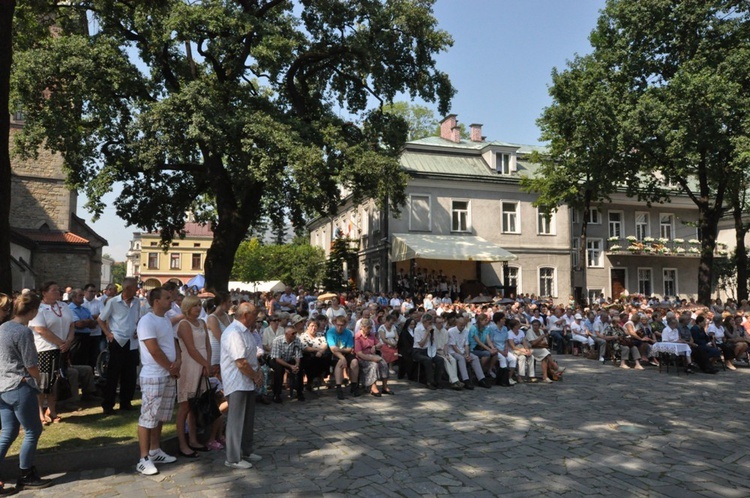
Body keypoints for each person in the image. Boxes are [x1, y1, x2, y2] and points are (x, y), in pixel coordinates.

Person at [0, 293, 52, 491]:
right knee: (33, 430)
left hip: (3, 386)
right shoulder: (23, 332)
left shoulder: (3, 327)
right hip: (19, 385)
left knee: (8, 432)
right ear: (32, 311)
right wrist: (38, 380)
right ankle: (26, 473)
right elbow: (31, 363)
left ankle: (25, 472)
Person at [135, 287, 179, 476]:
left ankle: (155, 449)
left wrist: (177, 363)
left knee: (160, 414)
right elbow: (153, 349)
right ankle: (143, 458)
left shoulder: (165, 320)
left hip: (167, 374)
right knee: (148, 415)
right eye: (167, 297)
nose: (171, 300)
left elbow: (171, 343)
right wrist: (171, 366)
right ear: (156, 301)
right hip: (154, 374)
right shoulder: (147, 321)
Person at [221, 303, 264, 469]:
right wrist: (255, 377)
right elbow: (241, 362)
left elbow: (251, 356)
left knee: (248, 419)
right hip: (237, 381)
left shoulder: (246, 333)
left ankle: (246, 450)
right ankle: (233, 458)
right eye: (254, 314)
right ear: (245, 315)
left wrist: (257, 373)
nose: (256, 318)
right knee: (236, 420)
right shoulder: (234, 333)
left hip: (247, 381)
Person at [29, 281, 75, 426]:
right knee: (43, 382)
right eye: (54, 290)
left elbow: (72, 324)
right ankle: (39, 412)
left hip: (62, 349)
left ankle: (52, 410)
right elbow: (41, 329)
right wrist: (60, 342)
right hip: (45, 349)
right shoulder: (39, 309)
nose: (58, 293)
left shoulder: (63, 306)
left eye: (59, 290)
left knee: (55, 381)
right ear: (44, 292)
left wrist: (68, 341)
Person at [176, 296, 214, 457]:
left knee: (195, 405)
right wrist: (205, 364)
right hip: (190, 366)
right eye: (194, 306)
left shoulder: (202, 323)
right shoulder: (184, 324)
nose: (198, 308)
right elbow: (191, 349)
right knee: (185, 405)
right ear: (187, 308)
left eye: (199, 305)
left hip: (202, 363)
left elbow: (207, 345)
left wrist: (208, 363)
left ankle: (193, 439)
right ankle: (182, 443)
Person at [98, 277, 140, 415]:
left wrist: (137, 329)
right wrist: (108, 334)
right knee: (113, 374)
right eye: (135, 287)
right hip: (117, 340)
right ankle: (108, 404)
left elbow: (137, 318)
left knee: (130, 374)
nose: (137, 289)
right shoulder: (113, 302)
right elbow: (101, 319)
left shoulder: (137, 302)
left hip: (132, 342)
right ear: (127, 288)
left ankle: (125, 401)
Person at [326, 315, 361, 400]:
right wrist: (342, 357)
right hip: (334, 355)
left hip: (345, 353)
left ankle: (354, 385)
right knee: (340, 362)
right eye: (338, 325)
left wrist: (342, 351)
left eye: (342, 325)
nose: (340, 327)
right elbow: (333, 349)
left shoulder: (348, 333)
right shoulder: (330, 332)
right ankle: (339, 387)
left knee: (354, 362)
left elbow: (349, 349)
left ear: (345, 325)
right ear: (334, 324)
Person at [354, 319, 392, 396]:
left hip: (372, 354)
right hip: (362, 358)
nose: (369, 330)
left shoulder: (371, 335)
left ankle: (385, 386)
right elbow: (359, 354)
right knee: (373, 365)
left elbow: (380, 344)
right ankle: (373, 386)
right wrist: (372, 358)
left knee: (383, 363)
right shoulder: (357, 337)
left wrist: (375, 346)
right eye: (368, 328)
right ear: (362, 327)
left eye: (370, 328)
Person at [448, 315, 485, 389]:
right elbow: (454, 346)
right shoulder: (451, 331)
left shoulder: (466, 331)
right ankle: (466, 380)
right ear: (457, 324)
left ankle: (481, 378)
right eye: (461, 325)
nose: (462, 327)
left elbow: (466, 345)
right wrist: (464, 355)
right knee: (461, 358)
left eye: (464, 325)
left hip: (463, 351)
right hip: (453, 352)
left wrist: (467, 355)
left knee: (475, 357)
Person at [270, 326, 304, 403]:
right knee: (279, 369)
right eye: (293, 333)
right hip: (276, 359)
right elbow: (277, 358)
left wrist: (297, 365)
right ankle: (276, 394)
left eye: (295, 333)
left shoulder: (297, 340)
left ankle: (299, 392)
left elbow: (298, 355)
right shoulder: (277, 341)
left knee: (300, 368)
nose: (295, 335)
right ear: (286, 334)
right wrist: (290, 366)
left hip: (289, 359)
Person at [412, 314, 446, 390]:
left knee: (440, 360)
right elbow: (421, 344)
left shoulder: (432, 329)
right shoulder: (418, 329)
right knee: (428, 360)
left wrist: (432, 334)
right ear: (424, 322)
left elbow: (432, 342)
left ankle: (438, 381)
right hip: (418, 351)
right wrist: (427, 333)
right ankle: (429, 382)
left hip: (428, 350)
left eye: (431, 323)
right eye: (429, 322)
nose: (430, 324)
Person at [68, 288, 99, 370]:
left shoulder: (85, 309)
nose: (83, 297)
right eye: (80, 295)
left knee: (88, 360)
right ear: (74, 297)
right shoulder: (70, 309)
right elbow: (78, 324)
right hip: (77, 338)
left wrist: (86, 322)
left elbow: (94, 324)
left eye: (83, 295)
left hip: (87, 337)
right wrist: (88, 322)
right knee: (76, 359)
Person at [206, 292, 232, 373]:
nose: (231, 304)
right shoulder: (212, 318)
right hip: (216, 355)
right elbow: (221, 339)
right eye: (229, 302)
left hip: (228, 354)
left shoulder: (229, 317)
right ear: (222, 303)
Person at [299, 320, 328, 392]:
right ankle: (312, 380)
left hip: (320, 355)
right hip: (307, 355)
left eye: (315, 326)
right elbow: (305, 348)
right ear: (307, 327)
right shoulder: (303, 336)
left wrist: (321, 351)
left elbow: (325, 345)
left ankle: (318, 377)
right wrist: (318, 350)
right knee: (311, 359)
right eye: (312, 326)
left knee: (326, 357)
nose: (314, 328)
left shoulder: (320, 334)